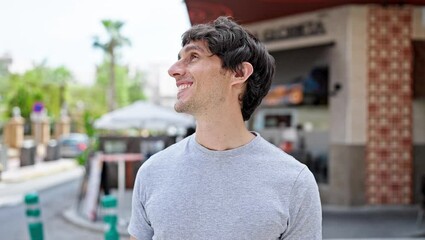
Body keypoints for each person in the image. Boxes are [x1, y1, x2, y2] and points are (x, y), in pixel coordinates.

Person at [128, 16, 322, 240]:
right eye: (179, 59)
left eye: (193, 57)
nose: (173, 70)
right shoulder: (152, 172)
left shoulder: (295, 181)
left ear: (238, 73)